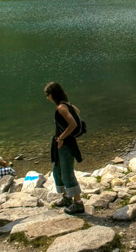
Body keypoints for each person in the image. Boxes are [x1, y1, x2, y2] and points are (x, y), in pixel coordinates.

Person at [44, 82, 84, 214]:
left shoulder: (61, 107)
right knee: (57, 171)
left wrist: (61, 138)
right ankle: (67, 197)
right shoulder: (66, 105)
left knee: (67, 173)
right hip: (61, 143)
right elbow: (77, 112)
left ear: (52, 94)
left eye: (47, 94)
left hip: (66, 144)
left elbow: (72, 124)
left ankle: (78, 203)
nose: (47, 97)